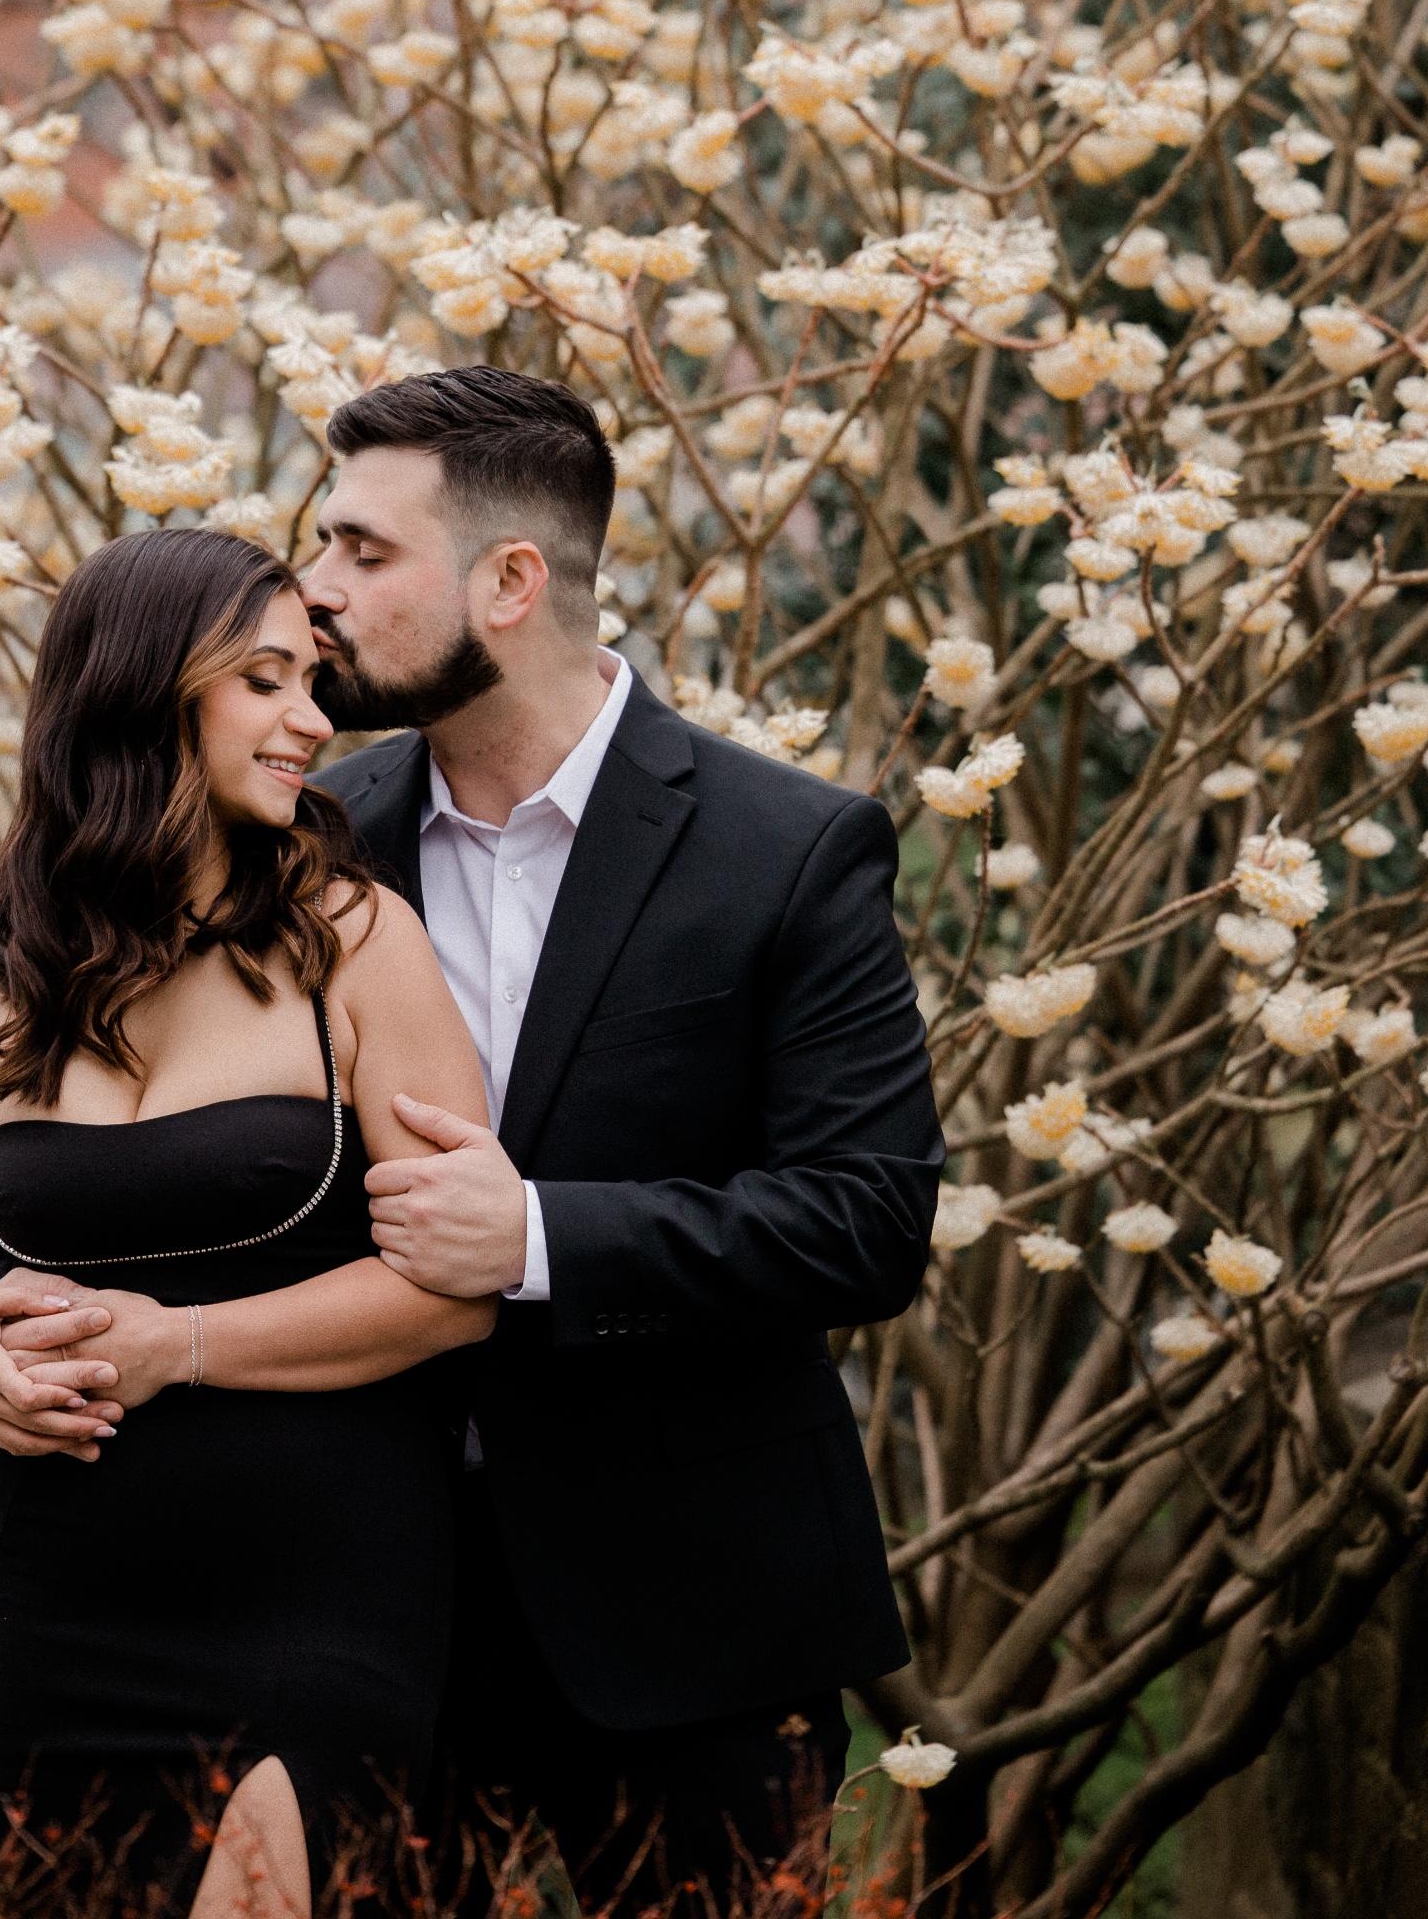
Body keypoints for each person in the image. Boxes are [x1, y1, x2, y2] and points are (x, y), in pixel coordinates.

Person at [290, 366, 944, 1916]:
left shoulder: (787, 850)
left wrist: (533, 1242)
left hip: (698, 1624)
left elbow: (865, 1220)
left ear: (511, 582)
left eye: (364, 553)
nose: (313, 591)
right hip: (367, 1615)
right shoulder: (306, 840)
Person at [0, 526, 494, 1919]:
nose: (312, 723)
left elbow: (456, 1283)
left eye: (313, 682)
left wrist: (182, 1346)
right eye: (266, 682)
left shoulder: (356, 941)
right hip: (58, 1596)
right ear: (150, 689)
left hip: (323, 1587)